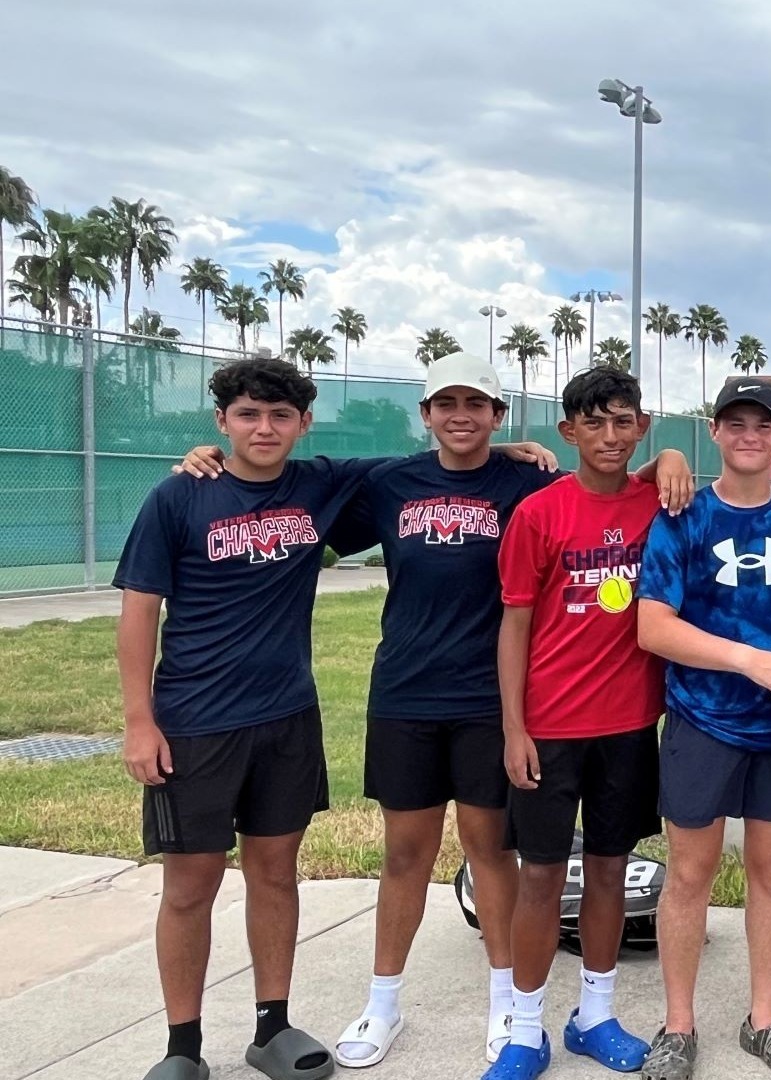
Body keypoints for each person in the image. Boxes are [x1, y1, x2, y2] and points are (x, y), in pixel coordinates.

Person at [169, 355, 691, 1070]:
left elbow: (609, 464)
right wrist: (208, 459)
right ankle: (383, 1002)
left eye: (476, 403)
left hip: (489, 701)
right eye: (446, 402)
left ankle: (511, 1008)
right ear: (426, 413)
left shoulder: (527, 480)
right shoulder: (388, 481)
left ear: (499, 414)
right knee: (405, 856)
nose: (460, 415)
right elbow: (287, 479)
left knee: (493, 854)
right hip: (405, 694)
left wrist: (667, 454)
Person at [118, 357, 376, 1080]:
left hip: (287, 717)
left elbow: (436, 463)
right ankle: (182, 1048)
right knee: (191, 886)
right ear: (221, 421)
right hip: (195, 724)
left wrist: (513, 452)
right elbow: (139, 613)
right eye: (248, 414)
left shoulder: (318, 485)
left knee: (275, 874)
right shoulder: (178, 497)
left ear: (303, 423)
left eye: (280, 415)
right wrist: (140, 721)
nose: (264, 428)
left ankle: (272, 1027)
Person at [635, 377, 771, 1080]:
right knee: (690, 875)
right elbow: (653, 627)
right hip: (702, 719)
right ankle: (678, 1026)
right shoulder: (683, 515)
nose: (748, 435)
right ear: (714, 432)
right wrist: (749, 659)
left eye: (762, 424)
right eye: (734, 423)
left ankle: (764, 1020)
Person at [488, 366, 671, 1080]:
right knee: (539, 878)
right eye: (593, 423)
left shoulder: (658, 502)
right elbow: (513, 624)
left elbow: (692, 482)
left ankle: (593, 1015)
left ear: (642, 427)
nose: (609, 435)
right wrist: (513, 727)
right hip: (550, 728)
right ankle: (525, 1032)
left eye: (623, 421)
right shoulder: (540, 513)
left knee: (609, 869)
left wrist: (675, 461)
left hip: (628, 726)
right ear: (567, 432)